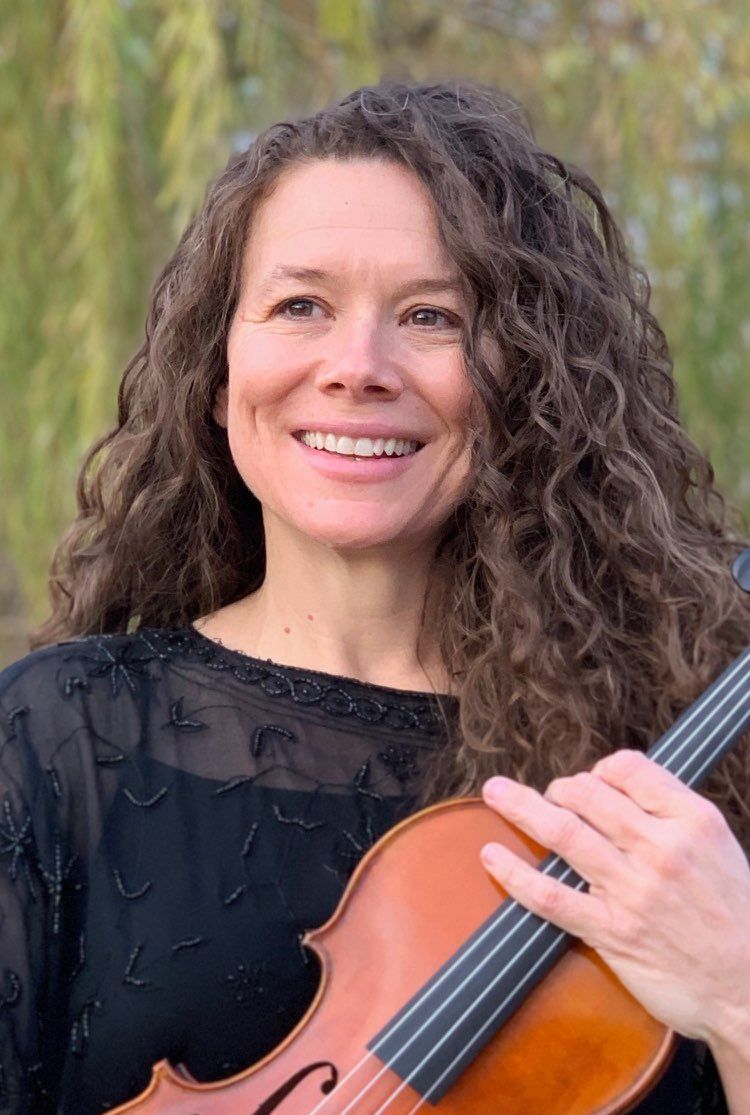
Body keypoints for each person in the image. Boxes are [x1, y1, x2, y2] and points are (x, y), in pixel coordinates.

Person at [1, 78, 748, 1114]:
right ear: (217, 373)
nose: (358, 367)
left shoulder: (672, 793)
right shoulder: (55, 740)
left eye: (431, 316)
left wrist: (740, 992)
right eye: (301, 305)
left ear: (527, 385)